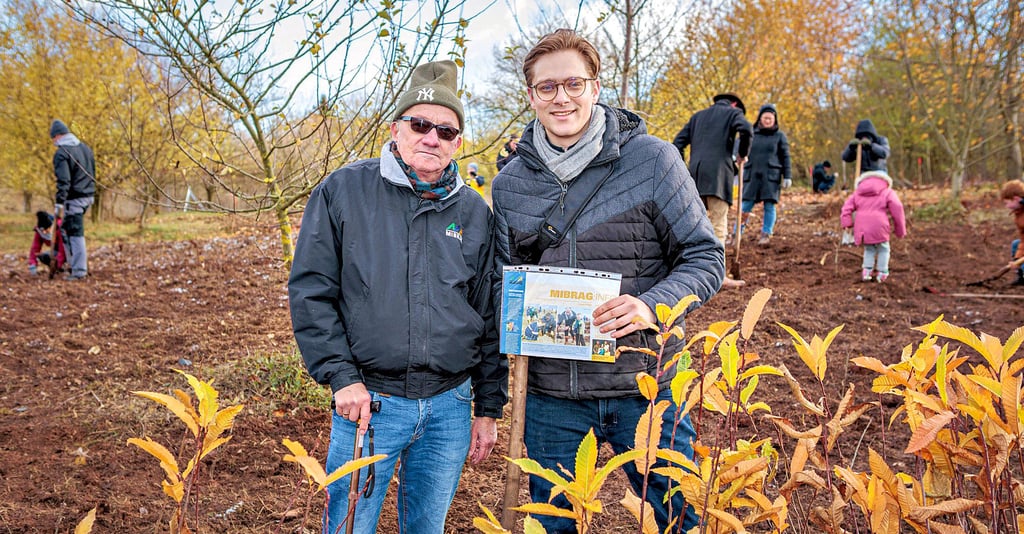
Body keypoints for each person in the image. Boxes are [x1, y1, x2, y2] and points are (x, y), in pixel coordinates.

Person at [490, 29, 724, 533]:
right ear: (531, 96)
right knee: (555, 523)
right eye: (547, 87)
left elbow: (705, 257)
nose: (562, 98)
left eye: (573, 84)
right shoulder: (510, 185)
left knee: (679, 518)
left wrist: (650, 305)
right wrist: (513, 313)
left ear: (595, 88)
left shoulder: (653, 161)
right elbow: (501, 281)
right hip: (552, 395)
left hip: (645, 385)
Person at [287, 59, 508, 534]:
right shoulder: (344, 191)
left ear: (458, 143)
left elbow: (488, 312)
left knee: (427, 527)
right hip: (369, 402)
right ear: (396, 128)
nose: (432, 138)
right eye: (420, 124)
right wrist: (341, 376)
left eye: (446, 131)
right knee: (348, 525)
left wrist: (488, 408)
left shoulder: (474, 212)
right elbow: (311, 291)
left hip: (449, 407)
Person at [673, 92, 752, 288]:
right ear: (734, 104)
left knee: (693, 225)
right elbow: (746, 129)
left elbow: (677, 143)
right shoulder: (732, 113)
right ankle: (718, 276)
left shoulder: (698, 117)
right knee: (718, 225)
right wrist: (742, 154)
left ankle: (688, 273)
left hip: (694, 176)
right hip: (719, 176)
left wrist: (682, 168)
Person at [840, 170, 906, 282]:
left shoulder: (857, 193)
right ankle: (882, 272)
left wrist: (847, 223)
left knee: (869, 249)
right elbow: (897, 208)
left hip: (862, 227)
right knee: (883, 249)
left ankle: (867, 271)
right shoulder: (887, 192)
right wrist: (900, 229)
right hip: (880, 225)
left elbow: (846, 208)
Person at [50, 119, 95, 281]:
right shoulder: (85, 148)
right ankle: (72, 264)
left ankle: (79, 270)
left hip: (74, 198)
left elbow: (64, 180)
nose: (53, 142)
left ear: (57, 136)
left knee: (74, 232)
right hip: (88, 195)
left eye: (53, 139)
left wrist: (59, 202)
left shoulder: (62, 153)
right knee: (66, 230)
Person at [741, 104, 791, 246]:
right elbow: (740, 149)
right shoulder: (751, 134)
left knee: (769, 206)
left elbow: (785, 157)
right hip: (752, 175)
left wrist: (787, 176)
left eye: (770, 118)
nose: (768, 121)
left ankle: (766, 234)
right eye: (765, 118)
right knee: (745, 206)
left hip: (771, 177)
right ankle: (736, 233)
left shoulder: (780, 136)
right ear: (760, 118)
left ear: (774, 120)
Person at [1000, 180, 1024, 285]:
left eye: (1007, 203)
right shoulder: (1019, 212)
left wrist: (1018, 260)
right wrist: (1017, 259)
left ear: (1016, 199)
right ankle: (1021, 276)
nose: (1006, 206)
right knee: (1016, 244)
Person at [28, 210, 65, 276]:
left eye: (46, 230)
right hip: (55, 250)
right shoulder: (40, 232)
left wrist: (58, 263)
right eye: (43, 231)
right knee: (44, 256)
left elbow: (62, 249)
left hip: (67, 250)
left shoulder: (60, 228)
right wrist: (32, 264)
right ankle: (57, 268)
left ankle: (65, 267)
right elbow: (35, 247)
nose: (44, 232)